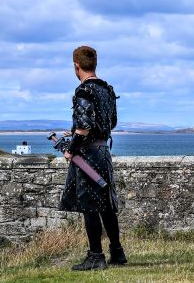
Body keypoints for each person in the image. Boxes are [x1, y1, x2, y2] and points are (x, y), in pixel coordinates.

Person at [58, 45, 127, 271]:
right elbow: (111, 122)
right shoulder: (107, 89)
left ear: (76, 66)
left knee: (90, 206)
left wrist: (71, 148)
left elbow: (85, 127)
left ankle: (96, 256)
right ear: (94, 64)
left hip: (88, 155)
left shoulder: (84, 91)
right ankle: (117, 252)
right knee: (106, 204)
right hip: (104, 152)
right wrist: (78, 130)